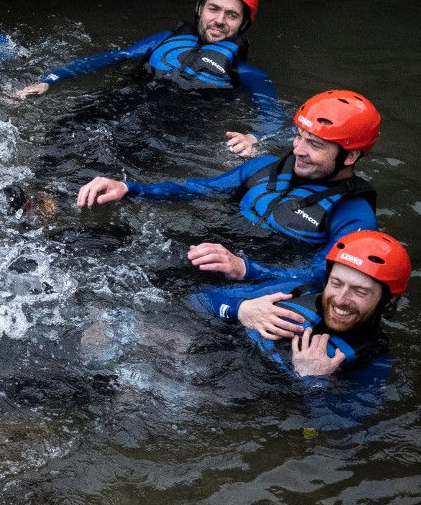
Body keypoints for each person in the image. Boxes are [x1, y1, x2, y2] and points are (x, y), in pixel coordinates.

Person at [76, 89, 380, 288]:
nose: (298, 149)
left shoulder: (354, 216)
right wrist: (130, 188)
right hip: (209, 251)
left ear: (351, 155)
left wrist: (244, 269)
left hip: (253, 282)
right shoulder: (264, 166)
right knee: (99, 241)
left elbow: (323, 276)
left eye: (314, 144)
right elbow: (198, 188)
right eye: (299, 136)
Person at [14, 0, 282, 155]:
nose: (220, 20)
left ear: (243, 24)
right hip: (124, 99)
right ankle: (37, 193)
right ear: (200, 8)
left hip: (170, 128)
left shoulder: (248, 74)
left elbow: (273, 117)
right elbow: (112, 58)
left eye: (231, 15)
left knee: (113, 158)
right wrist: (51, 79)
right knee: (66, 129)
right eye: (214, 9)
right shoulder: (164, 41)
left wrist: (253, 138)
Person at [194, 230, 409, 428]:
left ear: (389, 301)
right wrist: (240, 309)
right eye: (335, 283)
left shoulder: (372, 360)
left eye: (360, 291)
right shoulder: (294, 292)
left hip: (235, 405)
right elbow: (194, 299)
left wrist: (314, 381)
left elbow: (335, 434)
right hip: (199, 353)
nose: (340, 300)